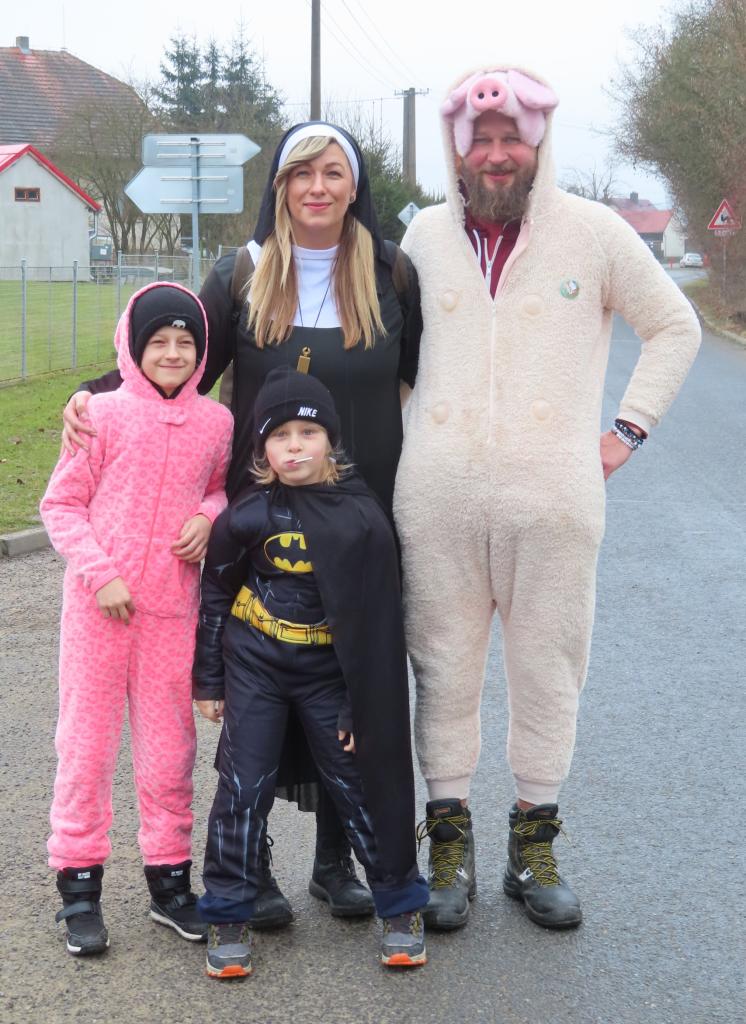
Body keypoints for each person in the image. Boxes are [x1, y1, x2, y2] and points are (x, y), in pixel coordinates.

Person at [60, 122, 422, 928]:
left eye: (334, 173)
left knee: (347, 682)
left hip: (359, 518)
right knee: (258, 684)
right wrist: (91, 394)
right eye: (301, 174)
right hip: (263, 521)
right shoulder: (243, 274)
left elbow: (416, 380)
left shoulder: (393, 273)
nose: (317, 188)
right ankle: (250, 864)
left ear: (354, 186)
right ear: (280, 188)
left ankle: (336, 862)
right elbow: (179, 366)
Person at [394, 65, 701, 931]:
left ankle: (534, 843)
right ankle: (447, 842)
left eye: (512, 139)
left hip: (556, 505)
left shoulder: (594, 233)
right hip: (438, 500)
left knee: (549, 670)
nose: (497, 155)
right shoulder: (422, 236)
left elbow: (675, 326)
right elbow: (386, 352)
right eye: (481, 141)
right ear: (458, 151)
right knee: (442, 669)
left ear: (539, 144)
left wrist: (625, 431)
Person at [192, 366, 428, 977]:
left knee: (359, 781)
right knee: (242, 785)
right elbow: (216, 596)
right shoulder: (245, 516)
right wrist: (210, 680)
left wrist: (357, 703)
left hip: (329, 671)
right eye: (280, 436)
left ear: (330, 441)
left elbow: (376, 623)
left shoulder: (362, 518)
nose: (294, 447)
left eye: (308, 433)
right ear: (262, 449)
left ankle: (399, 904)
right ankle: (228, 909)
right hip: (256, 664)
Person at [40, 283, 234, 956]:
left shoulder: (216, 423)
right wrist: (102, 575)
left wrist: (207, 517)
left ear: (201, 353)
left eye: (185, 343)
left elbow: (220, 488)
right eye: (158, 342)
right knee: (86, 747)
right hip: (99, 612)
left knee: (170, 750)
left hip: (172, 613)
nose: (173, 354)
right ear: (133, 346)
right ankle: (79, 887)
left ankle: (170, 883)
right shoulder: (100, 414)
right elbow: (60, 505)